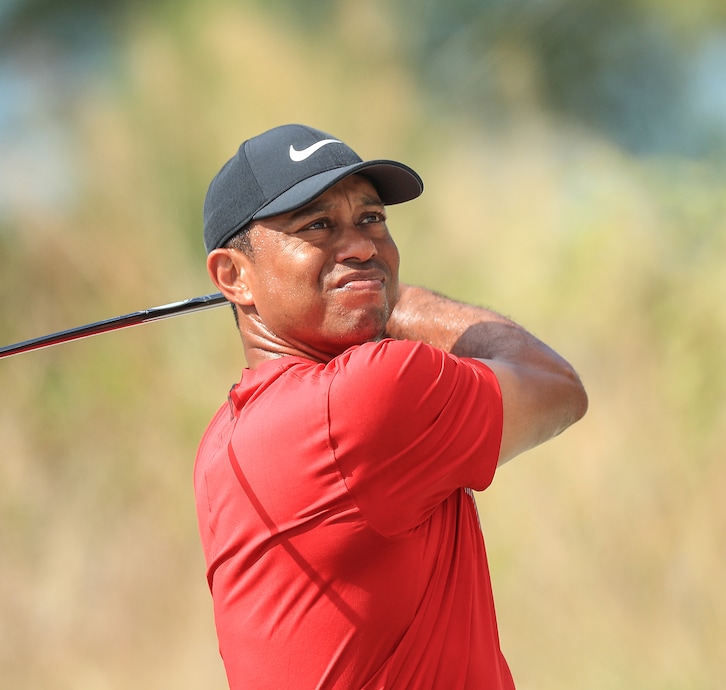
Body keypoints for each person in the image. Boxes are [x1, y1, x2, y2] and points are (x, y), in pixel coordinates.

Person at [193, 124, 588, 690]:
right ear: (232, 275)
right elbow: (556, 386)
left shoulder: (220, 440)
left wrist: (360, 289)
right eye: (318, 225)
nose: (360, 247)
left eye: (371, 220)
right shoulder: (369, 394)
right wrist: (398, 301)